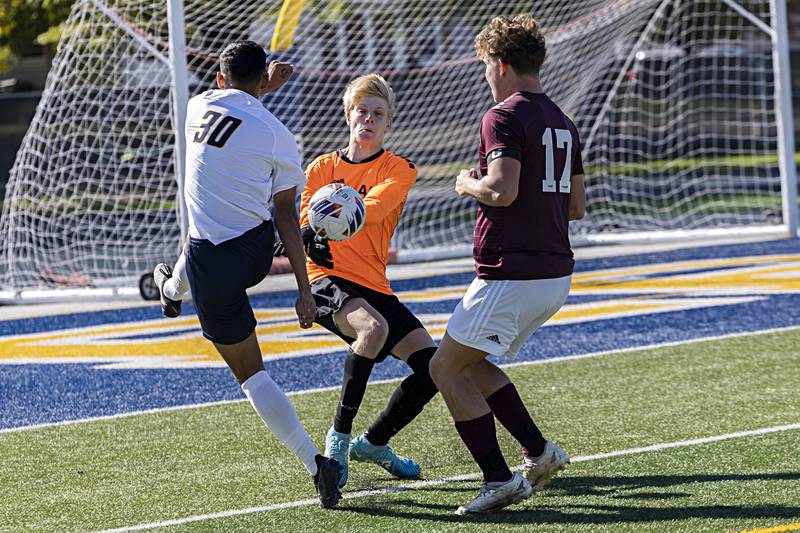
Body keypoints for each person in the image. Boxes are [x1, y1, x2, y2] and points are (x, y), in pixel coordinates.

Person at [153, 40, 341, 508]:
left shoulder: (196, 105)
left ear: (219, 79)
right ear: (262, 82)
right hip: (257, 252)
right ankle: (171, 287)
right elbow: (283, 215)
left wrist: (259, 88)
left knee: (253, 376)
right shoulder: (279, 134)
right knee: (265, 216)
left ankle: (315, 464)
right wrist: (304, 291)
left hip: (211, 268)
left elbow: (233, 111)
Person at [427, 14, 586, 515]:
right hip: (555, 273)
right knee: (472, 364)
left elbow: (501, 189)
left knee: (444, 368)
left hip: (512, 272)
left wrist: (465, 182)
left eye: (484, 66)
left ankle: (498, 479)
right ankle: (539, 453)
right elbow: (577, 206)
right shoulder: (562, 119)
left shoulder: (503, 114)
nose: (485, 76)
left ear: (499, 64)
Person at [296, 73, 439, 488]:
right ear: (348, 116)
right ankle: (338, 440)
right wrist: (308, 231)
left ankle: (374, 443)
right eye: (362, 111)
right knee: (372, 329)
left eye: (378, 114)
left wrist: (326, 218)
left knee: (436, 370)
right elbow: (304, 215)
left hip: (374, 285)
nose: (369, 119)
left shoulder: (399, 169)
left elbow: (370, 210)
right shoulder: (322, 166)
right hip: (326, 278)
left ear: (388, 123)